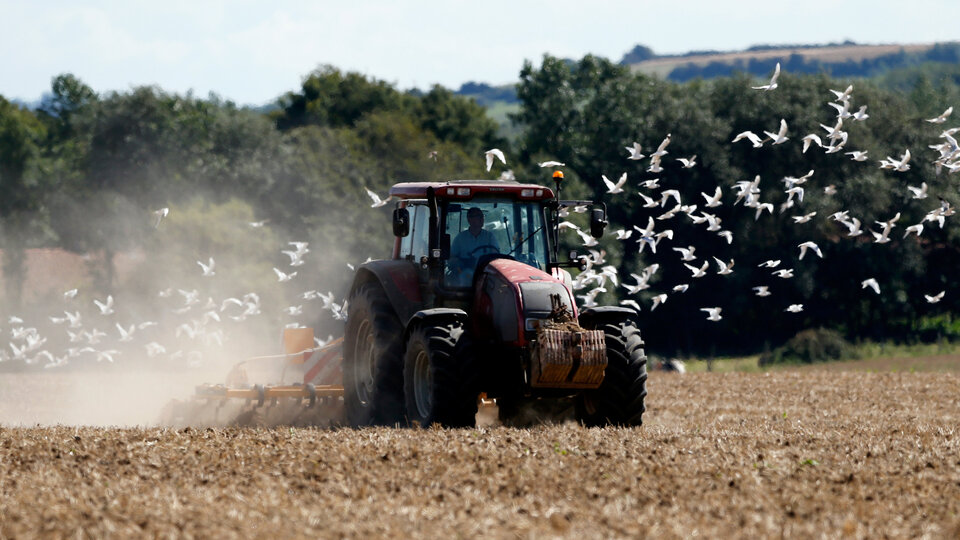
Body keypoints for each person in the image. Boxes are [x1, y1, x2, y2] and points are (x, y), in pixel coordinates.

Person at [448, 207, 500, 285]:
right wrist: (461, 263)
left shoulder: (489, 236)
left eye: (482, 216)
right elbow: (452, 259)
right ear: (469, 220)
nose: (482, 219)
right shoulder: (460, 238)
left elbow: (495, 255)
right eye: (478, 216)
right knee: (466, 275)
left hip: (485, 271)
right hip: (466, 271)